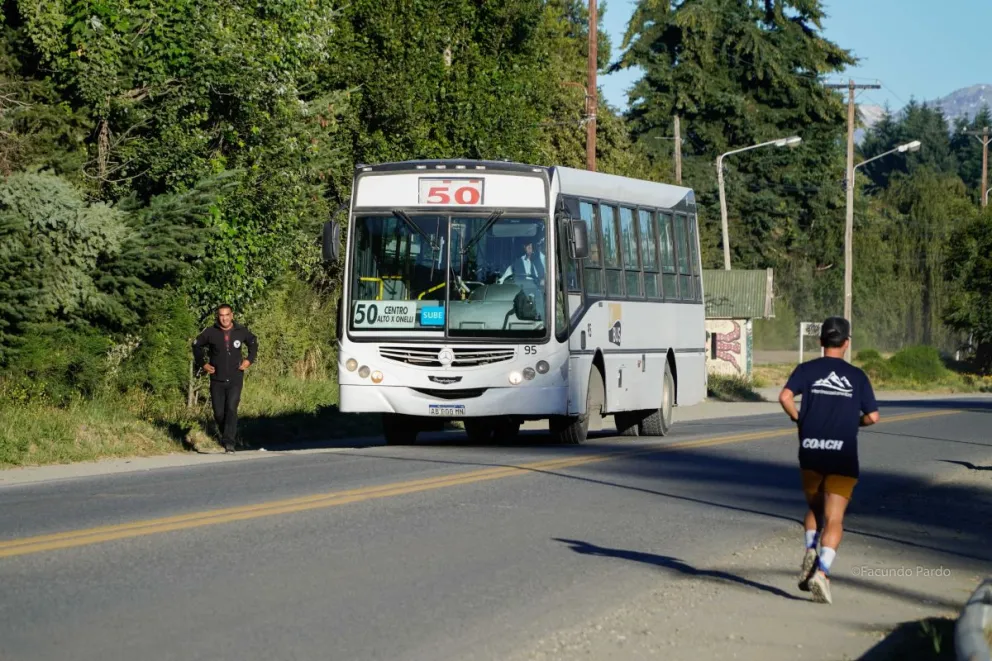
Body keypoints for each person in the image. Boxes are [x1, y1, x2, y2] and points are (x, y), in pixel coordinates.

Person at [778, 316, 879, 604]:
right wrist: (854, 422)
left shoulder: (806, 370)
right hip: (842, 454)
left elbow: (784, 397)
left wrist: (799, 419)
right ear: (846, 343)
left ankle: (810, 547)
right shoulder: (857, 377)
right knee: (835, 517)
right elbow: (873, 417)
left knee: (815, 507)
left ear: (821, 341)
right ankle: (822, 571)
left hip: (811, 449)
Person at [192, 304, 258, 453]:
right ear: (218, 317)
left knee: (231, 408)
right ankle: (226, 435)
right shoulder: (210, 332)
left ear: (232, 315)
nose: (224, 318)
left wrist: (249, 360)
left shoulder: (241, 331)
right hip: (217, 378)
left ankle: (229, 442)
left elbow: (253, 343)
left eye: (227, 315)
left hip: (235, 377)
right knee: (219, 413)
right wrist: (203, 364)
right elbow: (196, 346)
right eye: (221, 315)